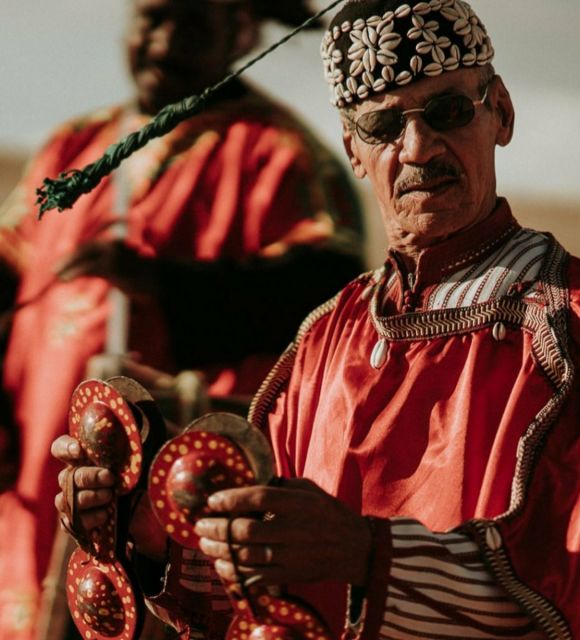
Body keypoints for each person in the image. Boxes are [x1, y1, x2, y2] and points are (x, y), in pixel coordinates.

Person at [53, 0, 580, 638]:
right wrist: (146, 531)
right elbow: (257, 592)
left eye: (446, 111)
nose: (417, 148)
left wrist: (367, 554)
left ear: (500, 111)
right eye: (383, 126)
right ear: (353, 151)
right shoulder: (327, 335)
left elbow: (578, 590)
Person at [0, 0, 365, 637]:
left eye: (192, 23)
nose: (165, 41)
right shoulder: (74, 146)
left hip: (168, 509)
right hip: (35, 465)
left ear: (241, 31)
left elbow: (326, 306)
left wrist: (164, 289)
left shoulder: (281, 156)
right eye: (152, 18)